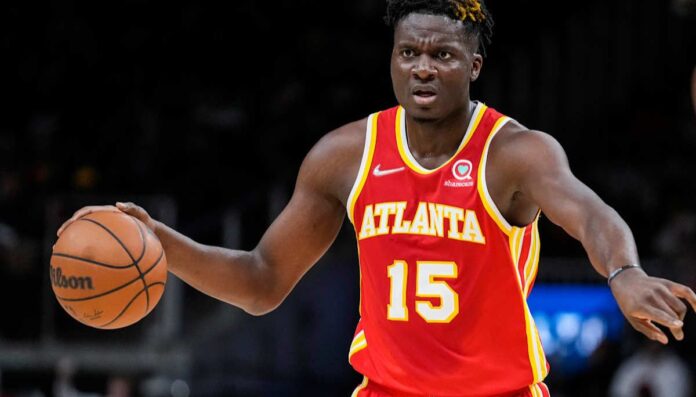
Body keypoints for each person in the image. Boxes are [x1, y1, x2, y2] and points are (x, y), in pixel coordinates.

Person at [58, 0, 696, 396]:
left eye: (442, 54)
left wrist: (623, 270)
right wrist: (166, 247)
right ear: (392, 58)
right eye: (409, 51)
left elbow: (591, 213)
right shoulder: (345, 155)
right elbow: (260, 282)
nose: (423, 67)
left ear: (474, 65)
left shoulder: (515, 153)